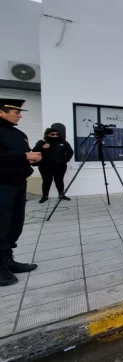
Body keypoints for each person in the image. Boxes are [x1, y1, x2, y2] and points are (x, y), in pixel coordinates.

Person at [0, 98, 41, 286]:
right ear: (1, 112)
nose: (20, 115)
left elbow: (23, 155)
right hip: (2, 185)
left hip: (18, 184)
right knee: (1, 226)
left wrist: (34, 158)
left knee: (14, 225)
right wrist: (25, 156)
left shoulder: (18, 134)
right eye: (16, 112)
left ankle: (8, 260)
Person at [32, 127, 74, 203]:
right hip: (45, 165)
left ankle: (61, 195)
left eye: (56, 134)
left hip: (60, 165)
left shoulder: (63, 143)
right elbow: (34, 152)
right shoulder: (41, 142)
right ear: (47, 135)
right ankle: (45, 196)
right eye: (52, 134)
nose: (55, 136)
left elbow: (70, 152)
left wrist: (65, 160)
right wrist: (42, 148)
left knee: (59, 180)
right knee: (46, 181)